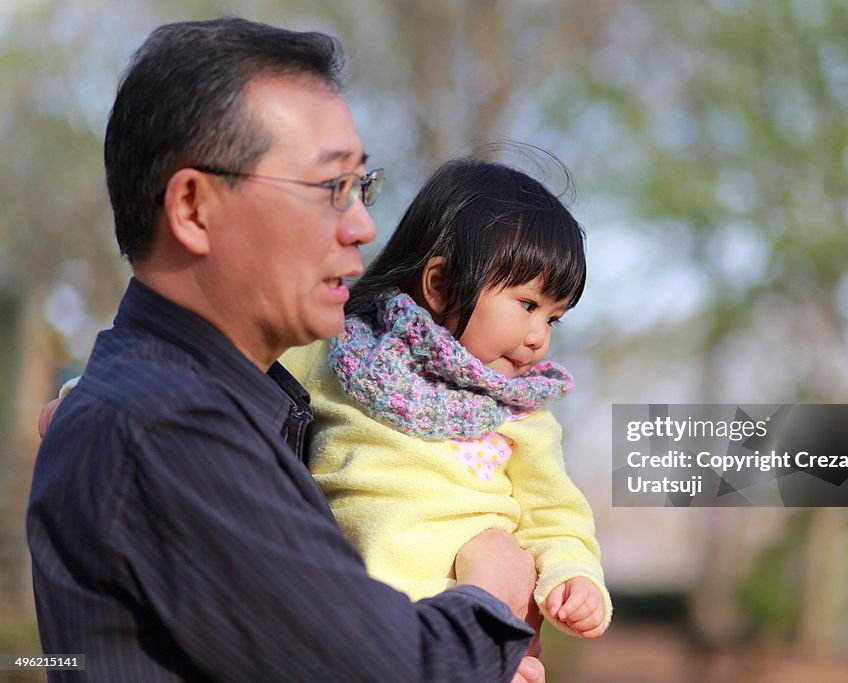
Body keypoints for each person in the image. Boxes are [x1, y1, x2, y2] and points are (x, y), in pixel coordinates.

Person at [28, 18, 544, 683]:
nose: (362, 226)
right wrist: (492, 591)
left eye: (364, 187)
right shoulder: (170, 425)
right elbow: (395, 669)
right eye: (331, 188)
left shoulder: (223, 405)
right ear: (192, 206)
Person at [280, 158, 611, 642]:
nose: (540, 336)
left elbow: (555, 517)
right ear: (440, 284)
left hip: (467, 619)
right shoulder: (333, 351)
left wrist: (574, 577)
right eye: (528, 305)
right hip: (346, 616)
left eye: (553, 318)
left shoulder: (520, 413)